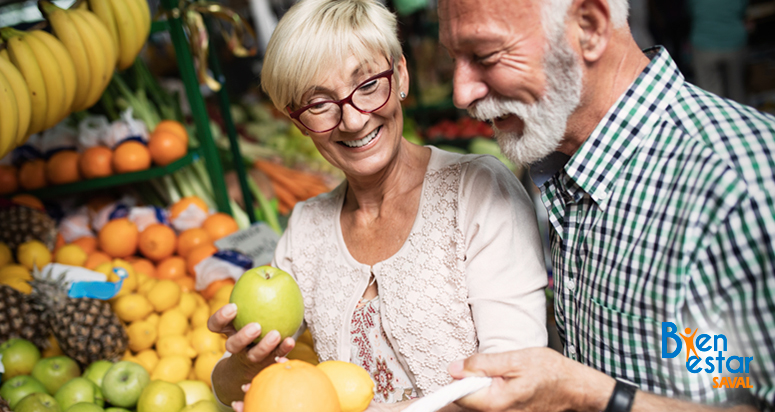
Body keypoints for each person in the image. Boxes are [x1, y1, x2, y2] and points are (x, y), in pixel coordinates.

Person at [207, 0, 549, 410]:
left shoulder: (477, 192)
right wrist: (246, 364)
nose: (353, 120)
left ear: (400, 73)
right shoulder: (306, 231)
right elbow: (230, 391)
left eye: (368, 85)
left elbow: (517, 382)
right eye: (319, 104)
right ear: (298, 122)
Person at [438, 0, 775, 411]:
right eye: (454, 58)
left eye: (485, 56)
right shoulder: (569, 158)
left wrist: (587, 394)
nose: (461, 92)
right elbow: (723, 366)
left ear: (589, 27)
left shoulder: (744, 184)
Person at [687, 0, 749, 104]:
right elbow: (744, 9)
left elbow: (690, 10)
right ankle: (742, 118)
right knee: (738, 92)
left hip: (704, 45)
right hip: (734, 43)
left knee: (711, 97)